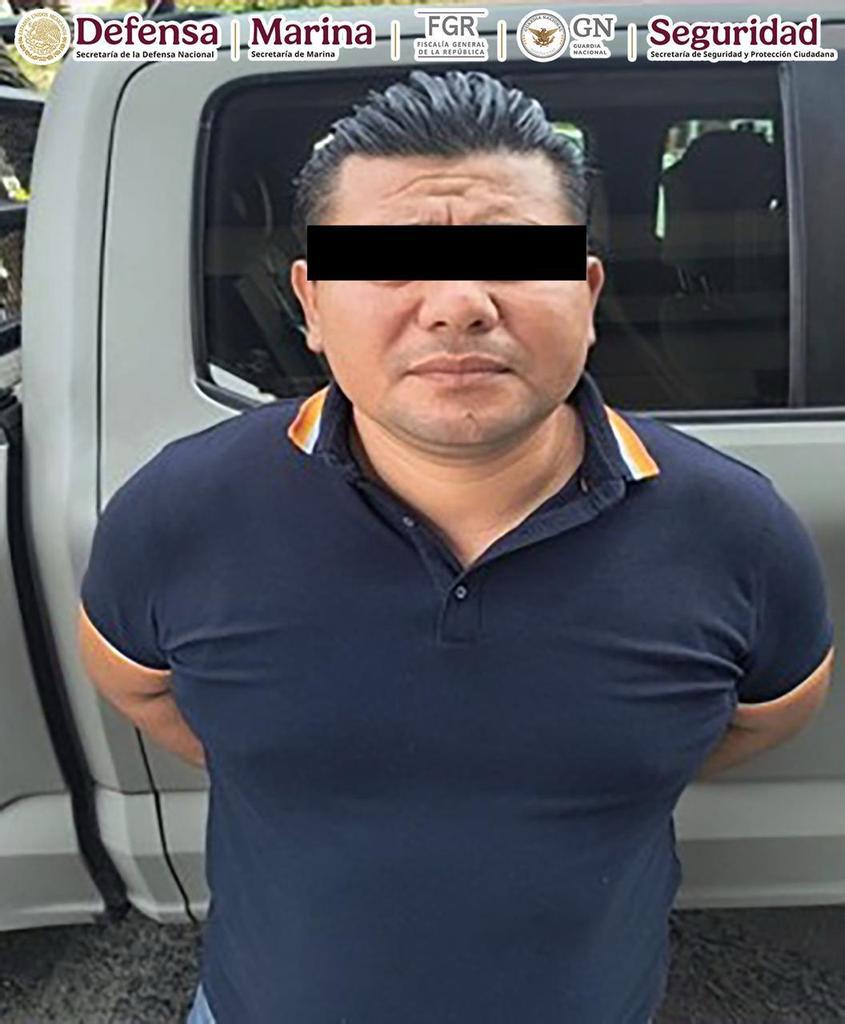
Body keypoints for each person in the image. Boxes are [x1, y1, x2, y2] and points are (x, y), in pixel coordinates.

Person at [77, 70, 835, 1024]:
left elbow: (762, 715)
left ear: (586, 293)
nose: (458, 305)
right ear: (311, 302)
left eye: (514, 259)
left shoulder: (734, 529)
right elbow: (139, 685)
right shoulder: (181, 511)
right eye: (391, 264)